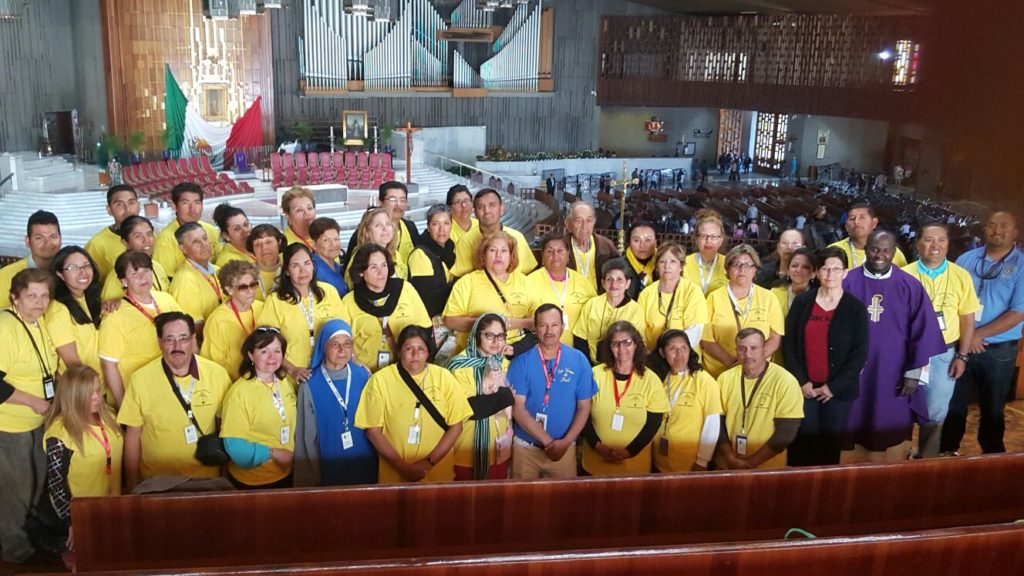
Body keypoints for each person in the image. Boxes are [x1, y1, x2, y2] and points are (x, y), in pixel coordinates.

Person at [841, 230, 946, 462]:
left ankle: (892, 470)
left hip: (895, 372)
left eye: (886, 250)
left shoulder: (909, 285)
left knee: (891, 420)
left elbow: (923, 332)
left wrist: (913, 373)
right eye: (874, 249)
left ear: (894, 252)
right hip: (854, 371)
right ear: (865, 249)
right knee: (851, 422)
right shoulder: (847, 281)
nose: (880, 255)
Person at [117, 312, 231, 491]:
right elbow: (133, 436)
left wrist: (225, 476)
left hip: (207, 480)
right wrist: (132, 485)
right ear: (160, 342)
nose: (177, 346)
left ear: (193, 339)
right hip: (157, 482)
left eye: (183, 338)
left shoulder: (217, 374)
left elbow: (225, 428)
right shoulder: (140, 379)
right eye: (170, 339)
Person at [943, 211, 1023, 454]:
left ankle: (992, 457)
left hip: (998, 350)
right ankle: (947, 451)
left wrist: (977, 335)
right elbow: (950, 300)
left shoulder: (1021, 265)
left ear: (1015, 233)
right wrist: (966, 338)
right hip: (961, 346)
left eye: (1003, 226)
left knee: (993, 408)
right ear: (985, 229)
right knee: (954, 404)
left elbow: (1019, 312)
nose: (997, 230)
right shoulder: (967, 259)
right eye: (992, 225)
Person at [355, 325, 472, 483]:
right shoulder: (380, 380)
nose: (415, 354)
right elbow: (373, 431)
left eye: (421, 349)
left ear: (428, 352)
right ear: (399, 351)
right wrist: (403, 468)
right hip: (394, 476)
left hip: (438, 475)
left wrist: (428, 463)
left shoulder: (444, 378)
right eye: (409, 348)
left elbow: (456, 426)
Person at [783, 247, 868, 466]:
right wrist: (802, 382)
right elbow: (790, 345)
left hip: (838, 392)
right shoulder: (803, 302)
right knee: (802, 442)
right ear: (817, 272)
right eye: (825, 269)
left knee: (830, 446)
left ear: (845, 272)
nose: (830, 274)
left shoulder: (855, 308)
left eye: (836, 269)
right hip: (804, 389)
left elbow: (859, 353)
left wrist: (833, 387)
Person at [902, 223, 979, 457]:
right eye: (928, 239)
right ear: (918, 244)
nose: (934, 245)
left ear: (947, 244)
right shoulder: (905, 274)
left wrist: (962, 355)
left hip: (944, 352)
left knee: (936, 411)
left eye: (941, 240)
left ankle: (927, 459)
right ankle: (900, 456)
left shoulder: (960, 275)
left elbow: (967, 318)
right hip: (909, 353)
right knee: (901, 405)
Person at [0, 268, 59, 562]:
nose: (39, 301)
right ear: (15, 298)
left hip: (38, 422)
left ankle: (33, 540)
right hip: (10, 427)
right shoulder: (5, 327)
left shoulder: (37, 321)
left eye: (44, 295)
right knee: (13, 491)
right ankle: (15, 551)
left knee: (35, 484)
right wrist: (34, 402)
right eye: (31, 296)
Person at [31, 365, 122, 556]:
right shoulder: (60, 433)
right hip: (85, 511)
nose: (98, 397)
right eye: (90, 394)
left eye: (98, 390)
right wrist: (73, 520)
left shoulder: (110, 416)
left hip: (114, 504)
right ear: (74, 397)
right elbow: (56, 485)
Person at [508, 304, 597, 479]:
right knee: (521, 502)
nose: (549, 330)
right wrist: (549, 442)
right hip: (526, 448)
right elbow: (518, 408)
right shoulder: (521, 361)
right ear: (535, 328)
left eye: (554, 325)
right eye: (543, 325)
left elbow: (584, 407)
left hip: (565, 449)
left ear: (563, 327)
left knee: (563, 503)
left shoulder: (579, 359)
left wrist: (565, 442)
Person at [580, 321, 668, 476]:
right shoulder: (595, 374)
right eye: (615, 343)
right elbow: (582, 413)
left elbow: (653, 423)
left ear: (636, 345)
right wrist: (597, 446)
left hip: (635, 467)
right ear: (609, 347)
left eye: (627, 342)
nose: (622, 349)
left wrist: (630, 451)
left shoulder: (650, 379)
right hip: (594, 466)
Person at [294, 320, 376, 487]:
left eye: (347, 344)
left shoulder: (363, 376)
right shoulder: (310, 383)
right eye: (335, 344)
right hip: (328, 464)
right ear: (324, 346)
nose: (342, 350)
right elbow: (306, 436)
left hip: (365, 461)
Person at [98, 251, 183, 407]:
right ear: (123, 281)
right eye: (135, 273)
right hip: (137, 394)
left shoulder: (166, 299)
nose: (143, 277)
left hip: (171, 386)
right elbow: (109, 365)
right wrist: (124, 405)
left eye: (146, 271)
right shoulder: (115, 316)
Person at [222, 327, 298, 489]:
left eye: (277, 350)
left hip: (287, 472)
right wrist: (274, 454)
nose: (272, 357)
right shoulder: (240, 392)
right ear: (250, 355)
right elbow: (235, 447)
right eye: (264, 351)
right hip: (253, 481)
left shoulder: (284, 382)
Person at [257, 243, 347, 381]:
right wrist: (292, 369)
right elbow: (266, 343)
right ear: (287, 271)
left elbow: (344, 332)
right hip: (292, 376)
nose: (303, 270)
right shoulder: (275, 300)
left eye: (307, 263)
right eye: (295, 266)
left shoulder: (329, 291)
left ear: (313, 265)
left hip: (329, 371)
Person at [716, 328, 803, 469]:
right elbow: (717, 425)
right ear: (736, 350)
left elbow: (786, 432)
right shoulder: (724, 379)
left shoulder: (786, 381)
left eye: (754, 348)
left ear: (764, 349)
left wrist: (750, 464)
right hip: (728, 465)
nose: (747, 354)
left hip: (768, 468)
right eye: (742, 349)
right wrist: (730, 458)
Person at [444, 230, 539, 354]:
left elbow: (538, 320)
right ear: (484, 255)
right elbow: (450, 321)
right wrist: (487, 324)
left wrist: (510, 323)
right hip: (474, 358)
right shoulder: (467, 282)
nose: (498, 255)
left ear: (511, 256)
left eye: (504, 251)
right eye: (493, 250)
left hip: (513, 355)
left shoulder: (525, 282)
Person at [447, 314, 517, 480]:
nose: (496, 342)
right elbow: (468, 409)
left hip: (500, 449)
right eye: (489, 336)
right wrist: (506, 396)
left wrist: (503, 397)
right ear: (477, 335)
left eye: (501, 336)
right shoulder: (458, 366)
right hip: (465, 453)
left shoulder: (501, 361)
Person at [342, 244, 431, 373]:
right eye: (373, 267)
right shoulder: (349, 302)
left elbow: (425, 330)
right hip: (367, 373)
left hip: (405, 370)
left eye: (384, 265)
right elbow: (342, 342)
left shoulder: (405, 289)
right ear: (361, 272)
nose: (381, 272)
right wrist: (355, 362)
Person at [701, 245, 785, 379]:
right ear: (727, 269)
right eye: (736, 264)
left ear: (755, 269)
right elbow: (706, 340)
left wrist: (756, 363)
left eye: (748, 265)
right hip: (720, 372)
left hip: (759, 373)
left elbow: (775, 336)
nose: (742, 269)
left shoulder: (769, 297)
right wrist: (733, 364)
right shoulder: (713, 298)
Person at [648, 330, 721, 473]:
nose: (679, 354)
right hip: (658, 461)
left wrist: (702, 461)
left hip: (690, 465)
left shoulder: (703, 380)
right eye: (672, 349)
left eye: (684, 348)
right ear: (662, 353)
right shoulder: (658, 378)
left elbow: (712, 424)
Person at [45, 247, 104, 396]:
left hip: (101, 384)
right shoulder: (58, 309)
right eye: (73, 268)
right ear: (60, 274)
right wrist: (94, 392)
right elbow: (72, 363)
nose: (83, 272)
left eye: (86, 265)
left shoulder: (91, 299)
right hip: (81, 390)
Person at [573, 258, 647, 364]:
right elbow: (580, 338)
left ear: (628, 283)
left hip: (623, 366)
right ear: (603, 283)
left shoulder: (635, 310)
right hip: (592, 365)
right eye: (609, 279)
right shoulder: (592, 304)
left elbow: (637, 345)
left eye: (619, 280)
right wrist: (586, 366)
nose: (614, 284)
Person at [451, 188, 537, 277]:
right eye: (481, 207)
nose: (487, 210)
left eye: (492, 205)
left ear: (501, 208)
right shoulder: (465, 242)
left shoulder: (518, 237)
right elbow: (461, 278)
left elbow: (529, 273)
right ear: (475, 213)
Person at [200, 261, 264, 381]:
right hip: (234, 383)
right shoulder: (217, 321)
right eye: (243, 287)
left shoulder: (262, 308)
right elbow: (213, 366)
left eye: (253, 285)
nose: (250, 291)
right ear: (229, 290)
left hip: (263, 378)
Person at [528, 233, 596, 346]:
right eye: (550, 251)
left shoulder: (583, 283)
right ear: (543, 255)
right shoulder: (528, 282)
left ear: (568, 255)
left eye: (560, 251)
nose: (555, 255)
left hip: (576, 351)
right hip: (539, 349)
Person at [637, 242, 707, 351]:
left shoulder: (692, 291)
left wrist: (670, 351)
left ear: (681, 266)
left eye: (673, 261)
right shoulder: (646, 294)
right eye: (662, 262)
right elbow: (639, 330)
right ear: (656, 267)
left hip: (685, 355)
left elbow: (695, 331)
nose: (667, 266)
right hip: (652, 357)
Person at [152, 182, 222, 278]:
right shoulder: (165, 240)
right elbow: (166, 278)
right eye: (185, 203)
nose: (192, 209)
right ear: (174, 206)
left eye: (197, 202)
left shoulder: (211, 230)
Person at [0, 210, 62, 309]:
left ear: (61, 239)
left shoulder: (70, 272)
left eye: (53, 237)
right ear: (27, 241)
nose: (48, 243)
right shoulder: (4, 277)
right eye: (39, 238)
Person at [167, 222, 223, 331]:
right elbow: (194, 327)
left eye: (205, 238)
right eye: (195, 242)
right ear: (183, 249)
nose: (204, 244)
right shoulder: (185, 281)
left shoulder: (217, 270)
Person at [100, 216, 169, 301]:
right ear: (125, 242)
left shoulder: (157, 266)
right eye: (138, 236)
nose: (146, 240)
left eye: (149, 234)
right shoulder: (118, 275)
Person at [408, 204, 456, 319]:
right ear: (428, 227)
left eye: (446, 223)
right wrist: (457, 285)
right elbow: (426, 301)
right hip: (426, 321)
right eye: (435, 224)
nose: (441, 229)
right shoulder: (420, 254)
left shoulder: (450, 248)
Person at [85, 184, 140, 282]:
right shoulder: (97, 244)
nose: (127, 209)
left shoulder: (151, 236)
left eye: (131, 202)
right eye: (119, 204)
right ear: (109, 210)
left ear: (139, 205)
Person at [829, 201, 908, 269]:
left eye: (862, 218)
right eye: (852, 218)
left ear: (874, 223)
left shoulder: (892, 253)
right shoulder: (833, 250)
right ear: (846, 226)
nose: (856, 222)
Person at [565, 201, 618, 292]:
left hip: (599, 302)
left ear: (594, 221)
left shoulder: (606, 246)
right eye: (578, 221)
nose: (584, 226)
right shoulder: (560, 248)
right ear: (568, 223)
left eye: (589, 220)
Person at [344, 207, 405, 284]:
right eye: (378, 225)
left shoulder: (396, 255)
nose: (385, 228)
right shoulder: (359, 259)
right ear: (366, 232)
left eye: (388, 224)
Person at [684, 211, 727, 296]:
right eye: (703, 236)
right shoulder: (683, 263)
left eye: (713, 236)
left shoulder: (730, 264)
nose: (708, 241)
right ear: (696, 239)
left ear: (721, 240)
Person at [309, 217, 348, 299]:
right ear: (313, 244)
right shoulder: (313, 270)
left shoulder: (335, 266)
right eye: (326, 240)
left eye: (336, 239)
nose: (333, 244)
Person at [247, 224, 285, 301]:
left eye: (268, 242)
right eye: (257, 244)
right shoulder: (245, 274)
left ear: (279, 242)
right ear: (252, 249)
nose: (264, 248)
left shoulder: (290, 268)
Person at [623, 222, 658, 301]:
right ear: (629, 242)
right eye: (636, 240)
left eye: (648, 240)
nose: (642, 245)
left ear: (656, 242)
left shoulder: (664, 266)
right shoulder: (618, 266)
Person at [280, 186, 317, 251]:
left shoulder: (324, 236)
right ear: (288, 216)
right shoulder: (283, 245)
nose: (307, 213)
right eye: (299, 210)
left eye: (310, 208)